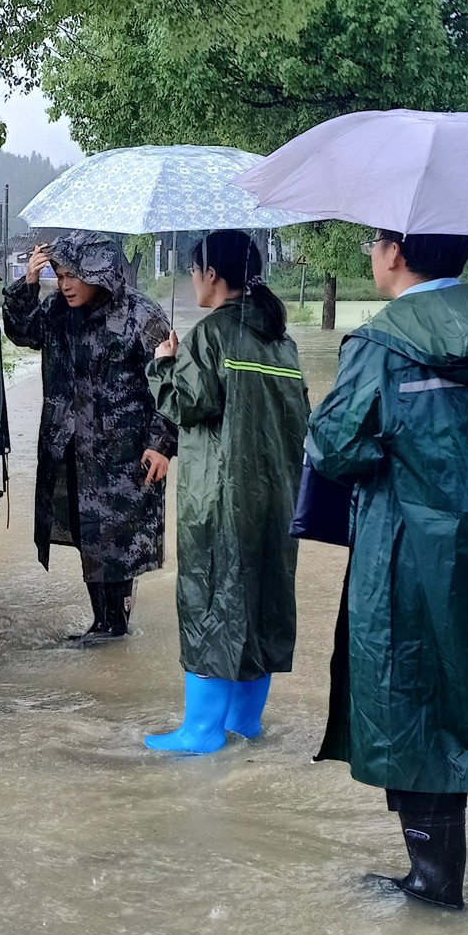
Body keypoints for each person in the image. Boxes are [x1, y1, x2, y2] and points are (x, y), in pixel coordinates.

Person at [307, 230, 468, 910]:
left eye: (373, 242)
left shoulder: (382, 343)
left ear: (395, 251)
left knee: (411, 700)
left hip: (409, 556)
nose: (369, 254)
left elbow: (333, 447)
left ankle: (434, 881)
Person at [143, 230, 309, 753]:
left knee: (209, 598)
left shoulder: (211, 335)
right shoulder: (282, 340)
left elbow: (186, 404)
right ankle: (246, 725)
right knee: (261, 601)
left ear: (211, 275)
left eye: (194, 270)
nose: (192, 279)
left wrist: (163, 362)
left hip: (219, 499)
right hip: (278, 499)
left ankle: (202, 732)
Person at [2, 231, 176, 643]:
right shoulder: (58, 313)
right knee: (88, 537)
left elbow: (173, 386)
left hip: (125, 457)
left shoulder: (140, 316)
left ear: (98, 274)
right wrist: (26, 284)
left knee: (117, 543)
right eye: (59, 275)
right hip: (70, 450)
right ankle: (105, 624)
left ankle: (114, 627)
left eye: (73, 276)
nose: (64, 285)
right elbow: (22, 332)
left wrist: (162, 444)